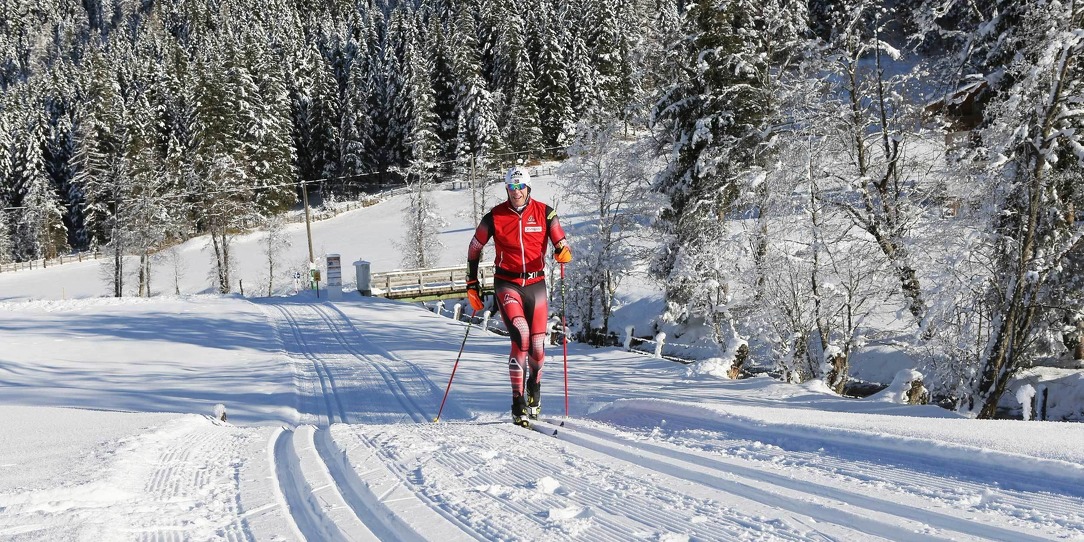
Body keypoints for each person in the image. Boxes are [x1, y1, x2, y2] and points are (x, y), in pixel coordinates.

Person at [466, 165, 572, 426]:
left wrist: (562, 251)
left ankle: (534, 389)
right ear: (507, 189)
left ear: (528, 188)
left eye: (521, 187)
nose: (516, 192)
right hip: (507, 284)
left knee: (537, 346)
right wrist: (471, 283)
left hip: (536, 285)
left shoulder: (546, 213)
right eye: (512, 188)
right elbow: (474, 247)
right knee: (521, 335)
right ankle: (517, 403)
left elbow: (561, 242)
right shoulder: (495, 216)